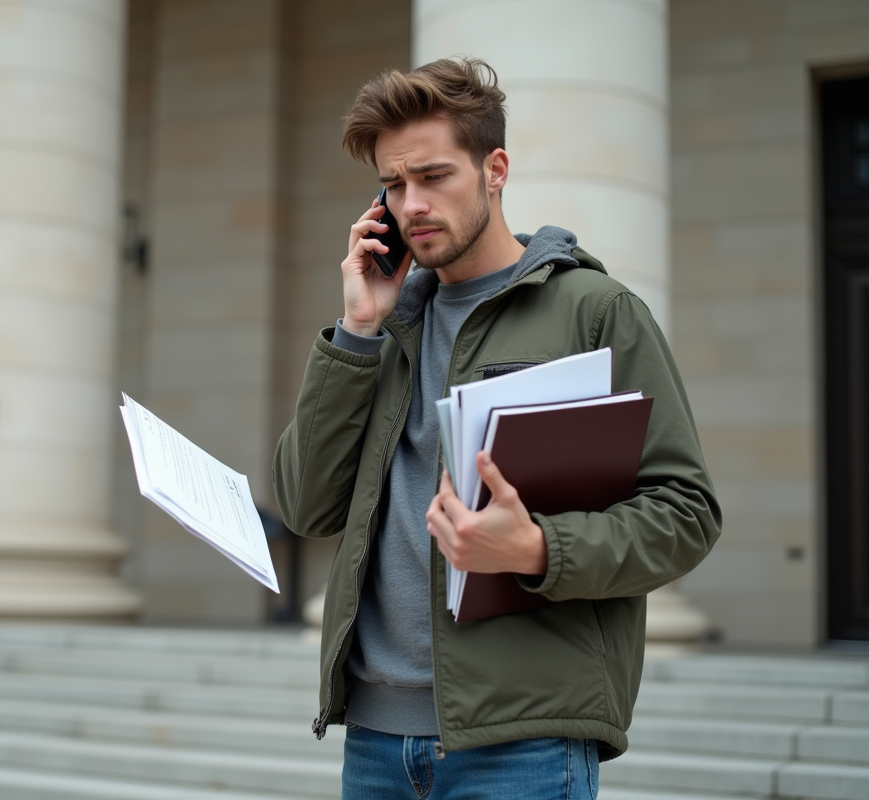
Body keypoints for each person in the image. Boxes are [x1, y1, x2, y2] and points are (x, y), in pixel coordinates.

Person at [272, 58, 721, 799]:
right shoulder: (385, 327)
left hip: (524, 744)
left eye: (434, 176)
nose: (410, 203)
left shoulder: (595, 311)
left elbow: (685, 513)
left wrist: (540, 548)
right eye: (392, 184)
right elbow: (307, 505)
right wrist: (355, 331)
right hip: (376, 743)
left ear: (495, 169)